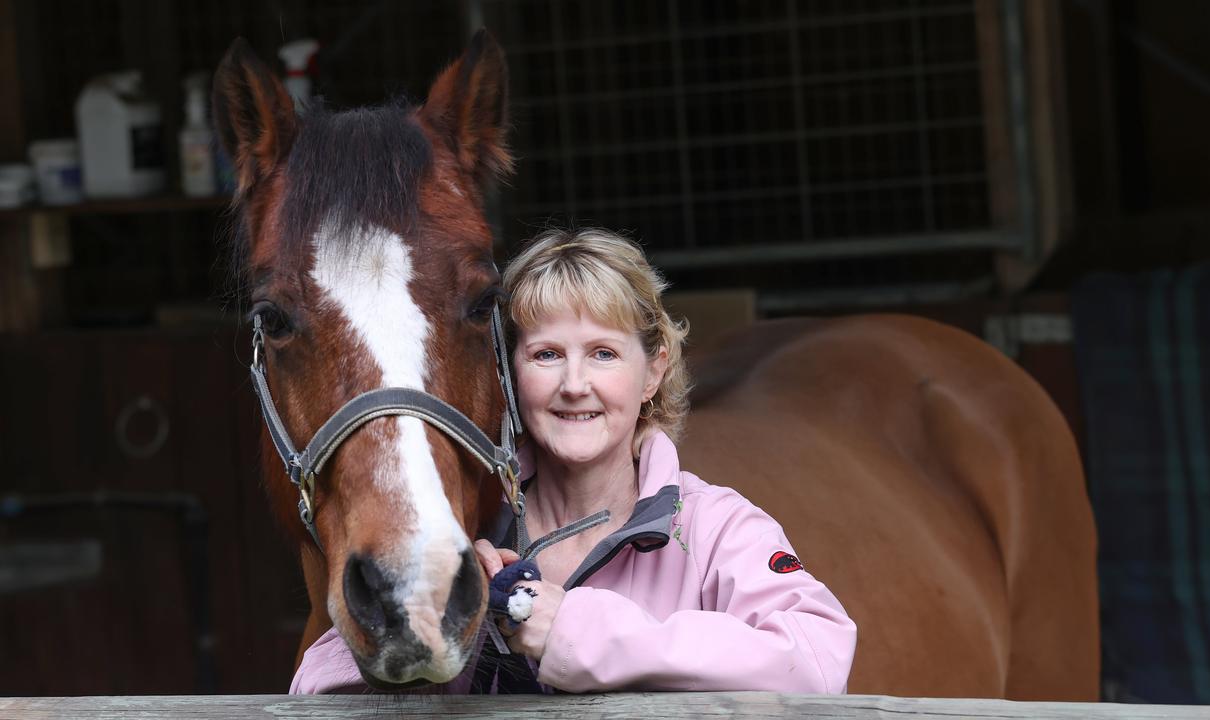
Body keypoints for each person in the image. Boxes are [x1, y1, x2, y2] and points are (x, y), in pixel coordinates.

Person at [291, 228, 857, 694]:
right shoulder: (462, 525)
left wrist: (578, 634)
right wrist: (456, 611)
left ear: (653, 370)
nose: (575, 384)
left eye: (604, 354)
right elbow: (315, 682)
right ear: (509, 373)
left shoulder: (713, 526)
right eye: (547, 355)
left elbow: (816, 659)